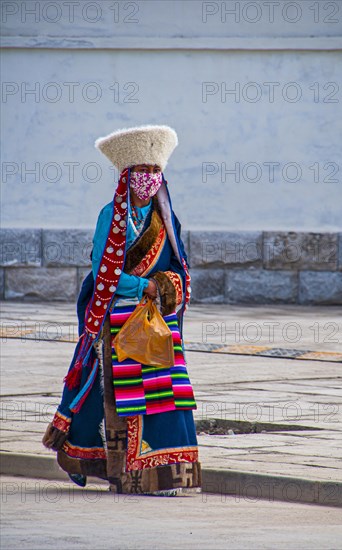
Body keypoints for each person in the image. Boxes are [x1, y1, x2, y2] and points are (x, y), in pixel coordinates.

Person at [42, 125, 201, 496]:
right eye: (140, 172)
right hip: (116, 319)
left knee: (165, 395)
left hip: (157, 319)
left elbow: (180, 270)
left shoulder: (167, 220)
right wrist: (143, 285)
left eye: (153, 172)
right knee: (106, 395)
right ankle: (107, 466)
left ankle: (164, 473)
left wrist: (163, 287)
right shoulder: (108, 217)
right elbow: (104, 271)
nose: (147, 179)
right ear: (126, 177)